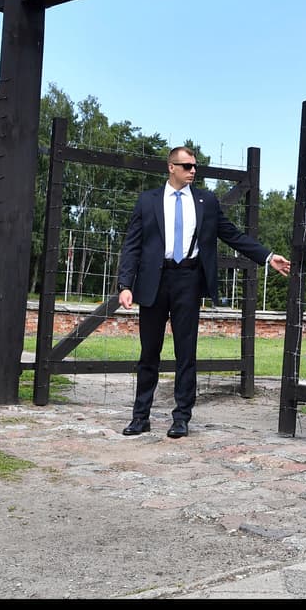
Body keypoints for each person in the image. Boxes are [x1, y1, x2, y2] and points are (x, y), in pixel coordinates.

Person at [117, 146, 291, 439]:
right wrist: (125, 285)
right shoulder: (147, 201)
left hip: (188, 279)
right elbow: (132, 244)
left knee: (186, 353)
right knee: (149, 352)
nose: (193, 171)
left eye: (194, 166)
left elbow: (232, 234)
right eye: (186, 166)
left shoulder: (205, 201)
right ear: (171, 167)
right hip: (153, 283)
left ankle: (181, 417)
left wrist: (267, 256)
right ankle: (140, 416)